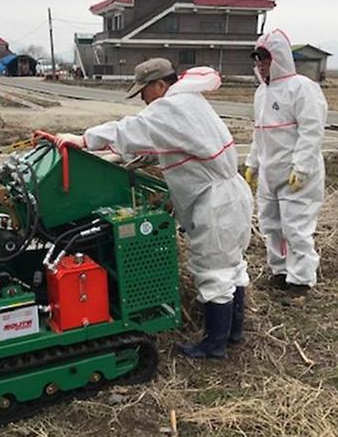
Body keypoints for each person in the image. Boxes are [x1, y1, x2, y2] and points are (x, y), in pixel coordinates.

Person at [56, 58, 253, 359]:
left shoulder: (171, 107)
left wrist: (83, 140)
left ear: (160, 84)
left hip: (215, 204)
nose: (143, 100)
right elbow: (167, 143)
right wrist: (125, 159)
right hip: (231, 195)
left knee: (213, 271)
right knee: (232, 266)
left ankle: (214, 346)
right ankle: (233, 334)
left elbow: (130, 129)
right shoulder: (190, 102)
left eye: (144, 92)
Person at [243, 29, 328, 305]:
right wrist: (253, 164)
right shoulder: (262, 93)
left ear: (278, 58)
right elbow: (260, 133)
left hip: (295, 173)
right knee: (270, 224)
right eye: (257, 60)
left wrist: (301, 167)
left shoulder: (302, 88)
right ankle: (280, 272)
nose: (261, 65)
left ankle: (300, 282)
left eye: (265, 59)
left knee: (296, 228)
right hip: (270, 173)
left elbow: (311, 130)